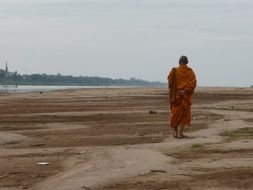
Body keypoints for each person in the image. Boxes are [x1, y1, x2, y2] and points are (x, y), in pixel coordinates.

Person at [167, 55, 197, 138]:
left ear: (179, 62)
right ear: (187, 62)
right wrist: (185, 91)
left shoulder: (174, 71)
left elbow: (170, 82)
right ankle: (180, 133)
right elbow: (193, 83)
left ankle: (175, 133)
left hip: (175, 97)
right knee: (184, 115)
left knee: (174, 114)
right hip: (185, 96)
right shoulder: (190, 72)